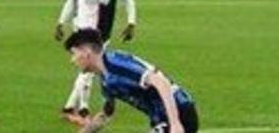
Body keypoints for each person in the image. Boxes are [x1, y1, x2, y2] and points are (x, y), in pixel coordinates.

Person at [55, 0, 137, 122]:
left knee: (88, 70)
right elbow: (70, 1)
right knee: (88, 70)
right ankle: (82, 109)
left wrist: (131, 23)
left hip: (102, 34)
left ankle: (70, 107)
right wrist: (60, 22)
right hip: (82, 31)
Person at [63, 28, 197, 133]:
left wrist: (175, 124)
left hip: (179, 111)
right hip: (161, 118)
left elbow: (161, 82)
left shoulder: (116, 64)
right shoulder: (106, 78)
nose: (72, 60)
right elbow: (106, 114)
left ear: (86, 52)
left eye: (74, 53)